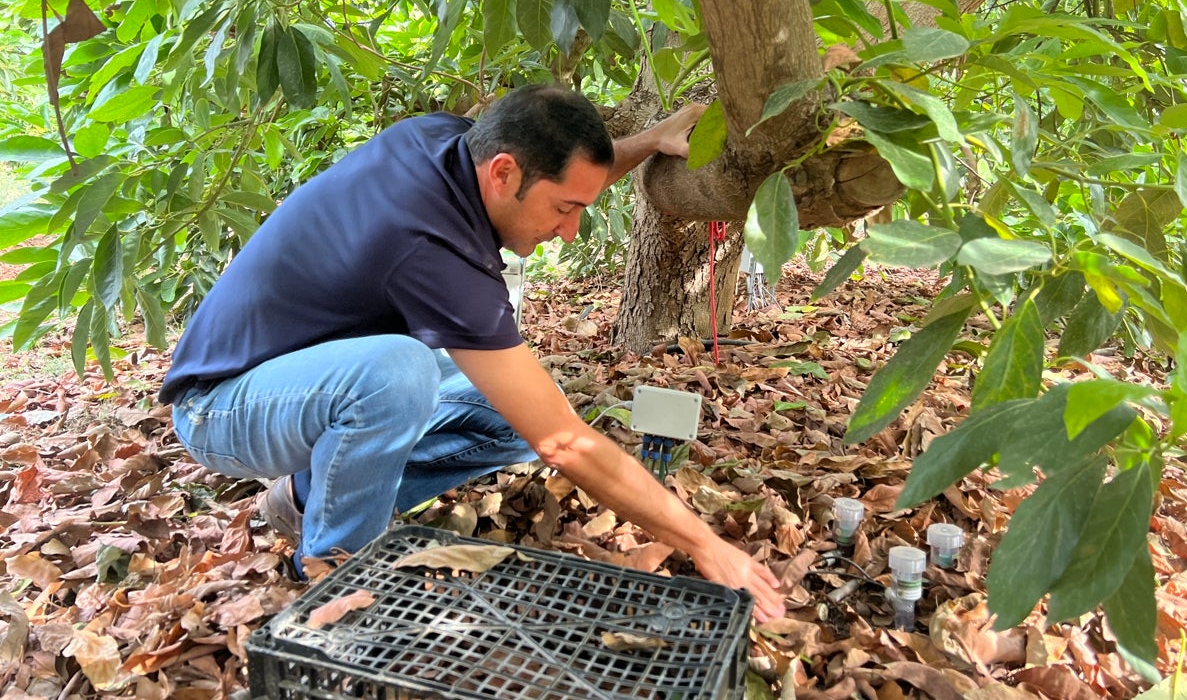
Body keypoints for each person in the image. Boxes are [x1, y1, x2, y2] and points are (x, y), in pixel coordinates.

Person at [158, 85, 786, 623]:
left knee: (511, 415)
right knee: (398, 378)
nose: (569, 231)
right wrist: (704, 544)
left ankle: (303, 498)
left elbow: (551, 171)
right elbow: (562, 443)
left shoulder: (448, 143)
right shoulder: (429, 243)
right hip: (221, 405)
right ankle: (338, 581)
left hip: (304, 379)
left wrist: (648, 140)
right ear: (503, 175)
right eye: (566, 211)